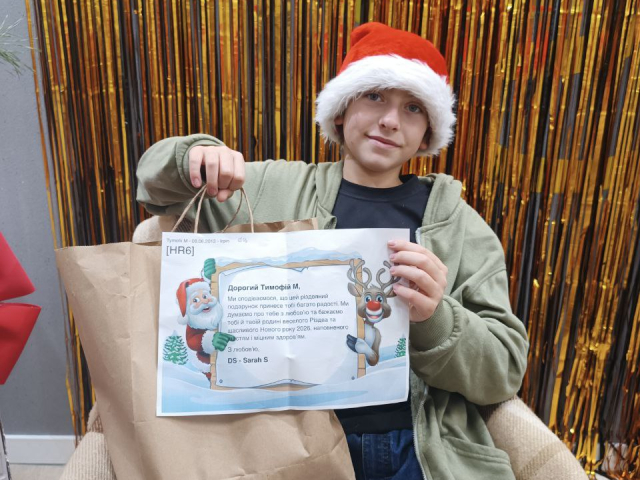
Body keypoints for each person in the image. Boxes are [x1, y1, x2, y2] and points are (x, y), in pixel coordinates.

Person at [136, 22, 529, 480]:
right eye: (375, 96)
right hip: (287, 443)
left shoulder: (458, 224)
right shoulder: (272, 188)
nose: (390, 120)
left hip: (418, 447)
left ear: (427, 134)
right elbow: (156, 190)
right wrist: (193, 156)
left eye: (414, 107)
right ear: (341, 111)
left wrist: (435, 317)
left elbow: (503, 373)